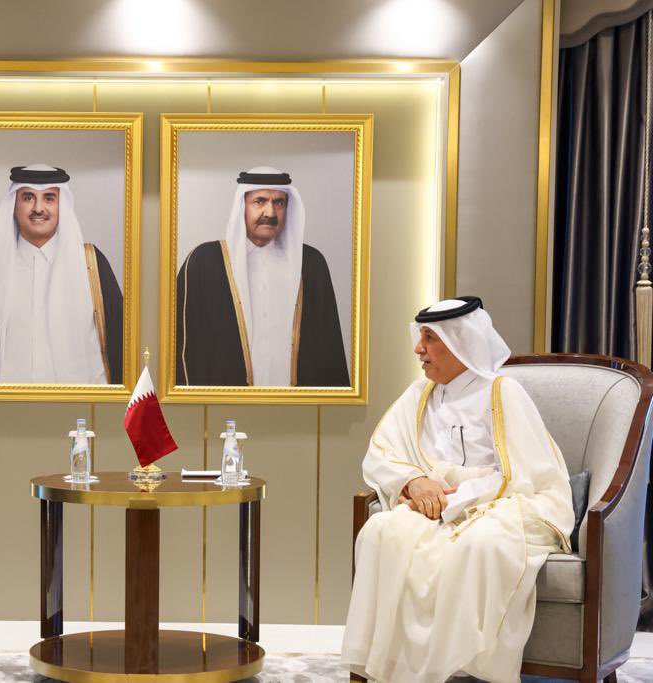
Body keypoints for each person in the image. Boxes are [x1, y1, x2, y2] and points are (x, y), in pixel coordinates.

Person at [341, 296, 574, 683]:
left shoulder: (503, 393)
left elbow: (525, 475)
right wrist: (413, 482)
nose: (418, 349)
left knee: (479, 545)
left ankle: (458, 669)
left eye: (430, 339)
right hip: (435, 508)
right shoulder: (419, 395)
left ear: (460, 341)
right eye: (421, 337)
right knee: (381, 530)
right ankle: (392, 669)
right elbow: (381, 453)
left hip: (504, 503)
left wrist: (459, 498)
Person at [0, 164, 123, 384]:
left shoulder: (92, 265)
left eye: (49, 198)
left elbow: (120, 344)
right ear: (14, 206)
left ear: (62, 206)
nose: (38, 208)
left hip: (80, 403)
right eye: (28, 197)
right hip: (3, 403)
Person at [175, 166, 348, 387]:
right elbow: (182, 346)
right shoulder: (204, 262)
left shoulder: (311, 264)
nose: (270, 213)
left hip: (295, 404)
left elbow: (329, 347)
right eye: (259, 201)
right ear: (243, 206)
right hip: (225, 403)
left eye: (279, 203)